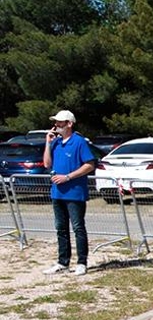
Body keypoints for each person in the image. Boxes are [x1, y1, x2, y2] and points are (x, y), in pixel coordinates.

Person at [41, 110, 96, 276]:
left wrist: (68, 177)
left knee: (78, 227)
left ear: (69, 124)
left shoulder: (79, 142)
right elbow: (46, 164)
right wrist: (47, 143)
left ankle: (82, 262)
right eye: (56, 123)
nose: (56, 126)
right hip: (57, 193)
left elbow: (90, 165)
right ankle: (62, 262)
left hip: (75, 193)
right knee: (61, 229)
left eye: (60, 123)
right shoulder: (56, 143)